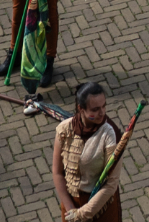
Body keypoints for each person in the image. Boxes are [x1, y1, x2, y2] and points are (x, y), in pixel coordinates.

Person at [53, 81, 123, 222]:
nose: (102, 113)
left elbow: (111, 183)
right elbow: (58, 172)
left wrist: (82, 214)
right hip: (71, 205)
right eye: (95, 109)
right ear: (81, 108)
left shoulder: (110, 134)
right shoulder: (64, 129)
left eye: (104, 106)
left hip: (101, 206)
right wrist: (70, 209)